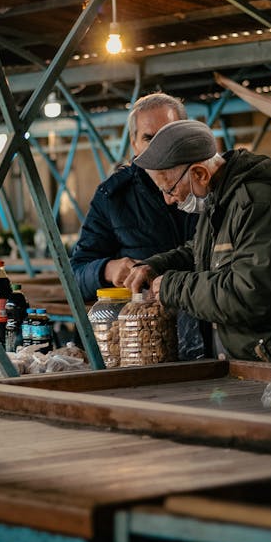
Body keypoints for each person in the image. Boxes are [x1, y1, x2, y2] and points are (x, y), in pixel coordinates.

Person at [125, 119, 271, 364]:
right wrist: (156, 266)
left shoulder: (257, 206)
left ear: (199, 173)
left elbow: (250, 294)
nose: (169, 200)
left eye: (169, 190)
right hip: (253, 360)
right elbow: (202, 251)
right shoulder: (221, 200)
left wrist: (172, 286)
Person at [70, 92, 203, 359]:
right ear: (133, 143)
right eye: (149, 138)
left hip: (208, 331)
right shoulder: (113, 197)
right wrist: (107, 269)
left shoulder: (206, 185)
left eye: (168, 134)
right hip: (145, 341)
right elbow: (75, 274)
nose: (159, 147)